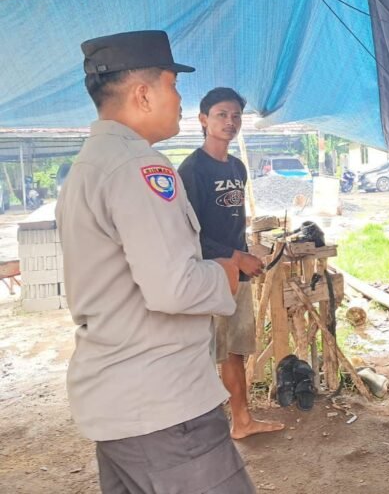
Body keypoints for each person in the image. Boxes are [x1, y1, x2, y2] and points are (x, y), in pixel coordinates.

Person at [56, 30, 255, 492]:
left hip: (120, 406)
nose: (180, 99)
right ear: (143, 94)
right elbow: (174, 287)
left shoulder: (88, 167)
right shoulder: (143, 168)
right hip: (165, 410)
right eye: (173, 85)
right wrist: (224, 272)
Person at [178, 87, 284, 439]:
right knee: (205, 352)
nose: (231, 122)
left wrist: (248, 249)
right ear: (203, 120)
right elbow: (185, 233)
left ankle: (242, 421)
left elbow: (233, 221)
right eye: (222, 114)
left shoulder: (238, 167)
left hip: (237, 274)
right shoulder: (192, 170)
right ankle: (196, 428)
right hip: (209, 273)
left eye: (236, 116)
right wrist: (235, 256)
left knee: (234, 350)